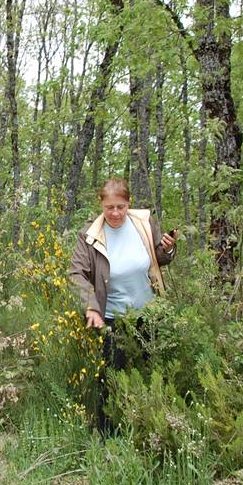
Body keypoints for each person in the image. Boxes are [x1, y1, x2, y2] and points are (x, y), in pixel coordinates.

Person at [68, 177, 176, 431]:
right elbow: (76, 273)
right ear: (101, 205)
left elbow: (158, 258)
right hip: (113, 318)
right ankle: (108, 436)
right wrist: (91, 306)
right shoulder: (90, 235)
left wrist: (168, 250)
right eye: (109, 208)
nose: (115, 213)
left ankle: (149, 430)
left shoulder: (144, 223)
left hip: (149, 314)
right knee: (112, 379)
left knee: (151, 374)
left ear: (129, 204)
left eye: (120, 207)